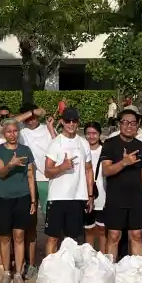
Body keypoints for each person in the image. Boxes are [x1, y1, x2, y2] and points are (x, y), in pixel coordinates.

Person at [100, 107, 142, 261]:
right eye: (125, 123)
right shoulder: (110, 144)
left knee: (136, 235)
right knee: (114, 235)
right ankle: (111, 272)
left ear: (137, 126)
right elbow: (106, 171)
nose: (129, 126)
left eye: (133, 123)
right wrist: (123, 162)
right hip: (115, 198)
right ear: (119, 124)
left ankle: (137, 273)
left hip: (136, 199)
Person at [0, 118, 37, 283]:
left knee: (19, 235)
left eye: (15, 131)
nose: (12, 134)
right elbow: (1, 173)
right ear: (4, 133)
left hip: (22, 197)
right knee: (5, 237)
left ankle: (18, 273)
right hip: (2, 197)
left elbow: (30, 175)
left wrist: (33, 199)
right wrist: (11, 164)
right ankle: (6, 272)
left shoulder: (26, 150)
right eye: (9, 131)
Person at [43, 107, 94, 254]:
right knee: (53, 238)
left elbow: (89, 169)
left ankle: (69, 270)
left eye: (74, 121)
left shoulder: (83, 143)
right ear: (62, 122)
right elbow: (47, 172)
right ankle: (50, 270)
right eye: (68, 121)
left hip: (78, 197)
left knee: (72, 239)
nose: (71, 124)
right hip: (58, 197)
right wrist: (62, 167)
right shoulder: (56, 143)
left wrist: (90, 195)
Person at [18, 103, 55, 274]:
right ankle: (30, 262)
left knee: (51, 221)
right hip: (28, 180)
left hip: (47, 180)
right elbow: (7, 124)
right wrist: (31, 112)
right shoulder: (21, 132)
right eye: (28, 117)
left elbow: (58, 146)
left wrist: (50, 127)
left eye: (34, 117)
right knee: (30, 222)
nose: (31, 120)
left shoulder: (46, 128)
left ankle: (54, 259)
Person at [83, 122, 108, 252]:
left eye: (94, 133)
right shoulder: (81, 149)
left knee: (102, 229)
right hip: (85, 193)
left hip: (102, 193)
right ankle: (89, 257)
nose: (91, 136)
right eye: (88, 133)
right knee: (89, 229)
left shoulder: (106, 150)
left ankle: (103, 257)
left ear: (99, 135)